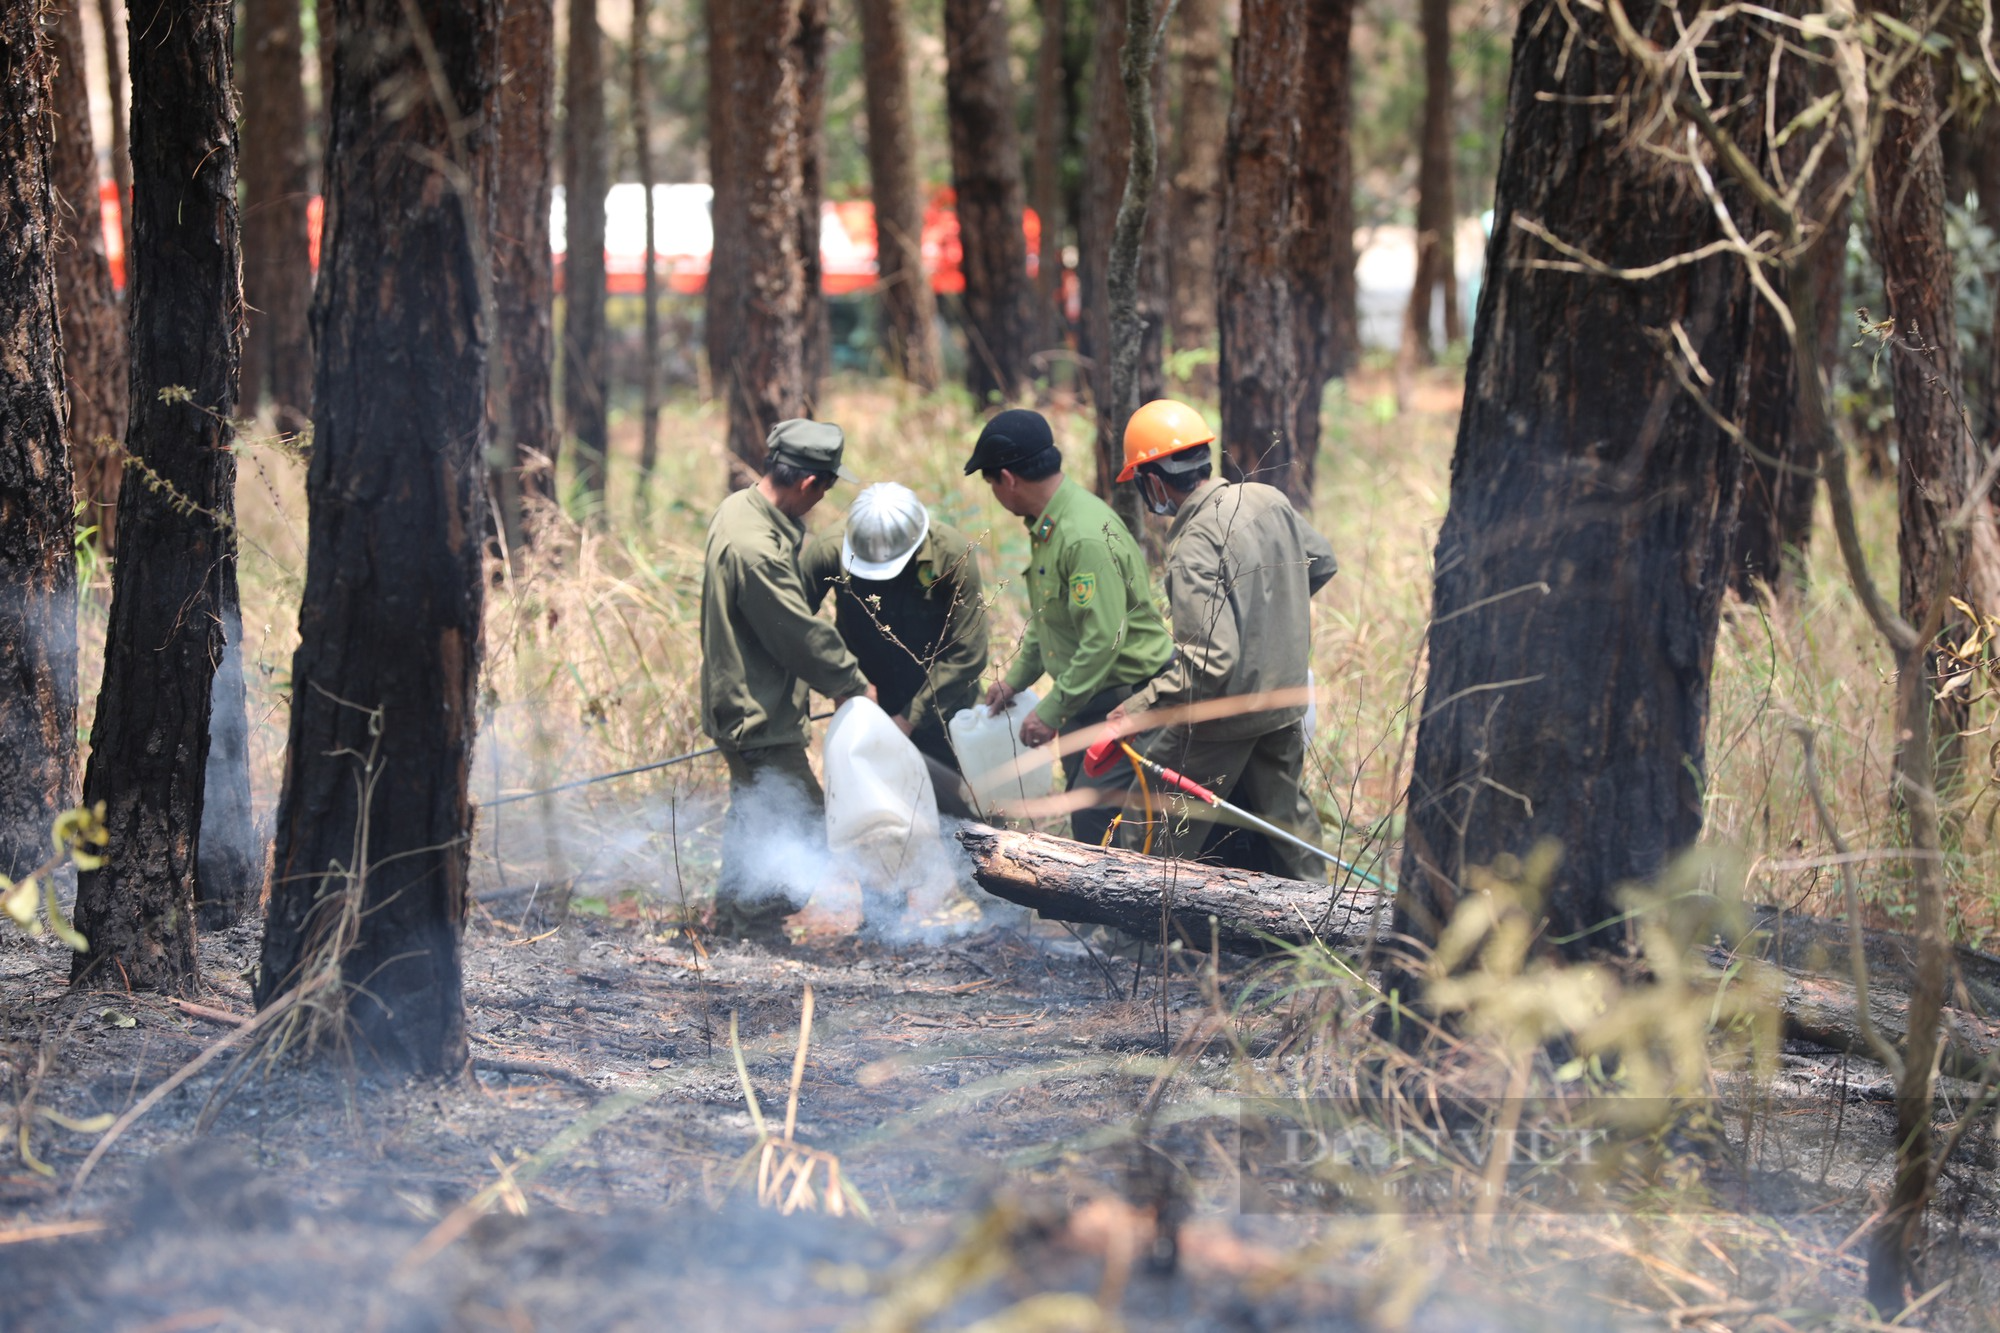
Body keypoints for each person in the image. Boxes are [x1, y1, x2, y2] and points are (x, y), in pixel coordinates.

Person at [1105, 399, 1339, 879]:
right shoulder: (1268, 500)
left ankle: (1133, 944)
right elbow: (1323, 562)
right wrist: (1268, 617)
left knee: (1150, 815)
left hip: (1225, 716)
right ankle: (1330, 931)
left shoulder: (1194, 544)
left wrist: (1135, 709)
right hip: (1285, 699)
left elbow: (1209, 662)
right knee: (1289, 823)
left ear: (1153, 481)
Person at [964, 408, 1173, 847]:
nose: (995, 493)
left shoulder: (1080, 536)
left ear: (1007, 478)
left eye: (990, 483)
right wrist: (1017, 681)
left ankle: (1117, 916)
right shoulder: (1048, 527)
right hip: (1088, 701)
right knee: (1091, 821)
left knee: (1100, 823)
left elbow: (1103, 641)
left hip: (1126, 702)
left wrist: (1051, 710)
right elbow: (1051, 621)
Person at [700, 418, 875, 939]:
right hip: (756, 714)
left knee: (756, 818)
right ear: (808, 484)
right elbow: (796, 631)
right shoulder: (755, 549)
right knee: (802, 826)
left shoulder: (742, 508)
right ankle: (756, 931)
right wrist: (851, 683)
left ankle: (731, 923)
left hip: (748, 702)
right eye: (824, 489)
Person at [801, 483, 989, 819]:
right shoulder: (830, 551)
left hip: (943, 710)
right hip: (869, 712)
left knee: (967, 824)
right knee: (879, 824)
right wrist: (839, 683)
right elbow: (790, 626)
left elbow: (968, 655)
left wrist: (908, 719)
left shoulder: (951, 555)